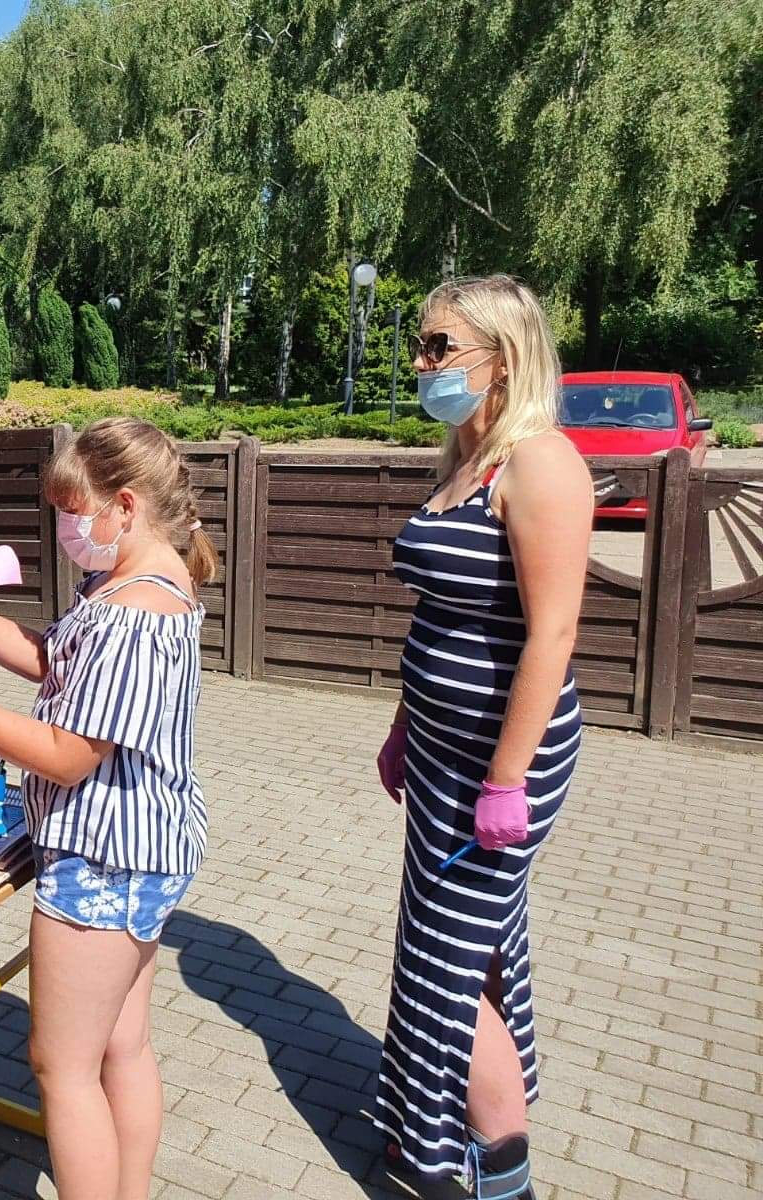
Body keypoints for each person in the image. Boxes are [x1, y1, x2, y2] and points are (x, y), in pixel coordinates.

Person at [0, 417, 214, 1200]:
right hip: (140, 853)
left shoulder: (134, 615)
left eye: (71, 510)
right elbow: (51, 657)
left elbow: (64, 753)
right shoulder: (131, 584)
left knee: (63, 1068)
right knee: (122, 1046)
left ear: (125, 505)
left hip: (104, 862)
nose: (64, 528)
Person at [373, 275, 592, 1200]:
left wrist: (506, 779)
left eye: (439, 347)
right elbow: (441, 616)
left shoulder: (541, 465)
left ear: (503, 359)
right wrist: (404, 726)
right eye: (421, 345)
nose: (422, 362)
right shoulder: (463, 458)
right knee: (474, 944)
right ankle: (453, 1137)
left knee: (444, 969)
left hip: (505, 764)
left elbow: (553, 633)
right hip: (441, 755)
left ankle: (502, 1174)